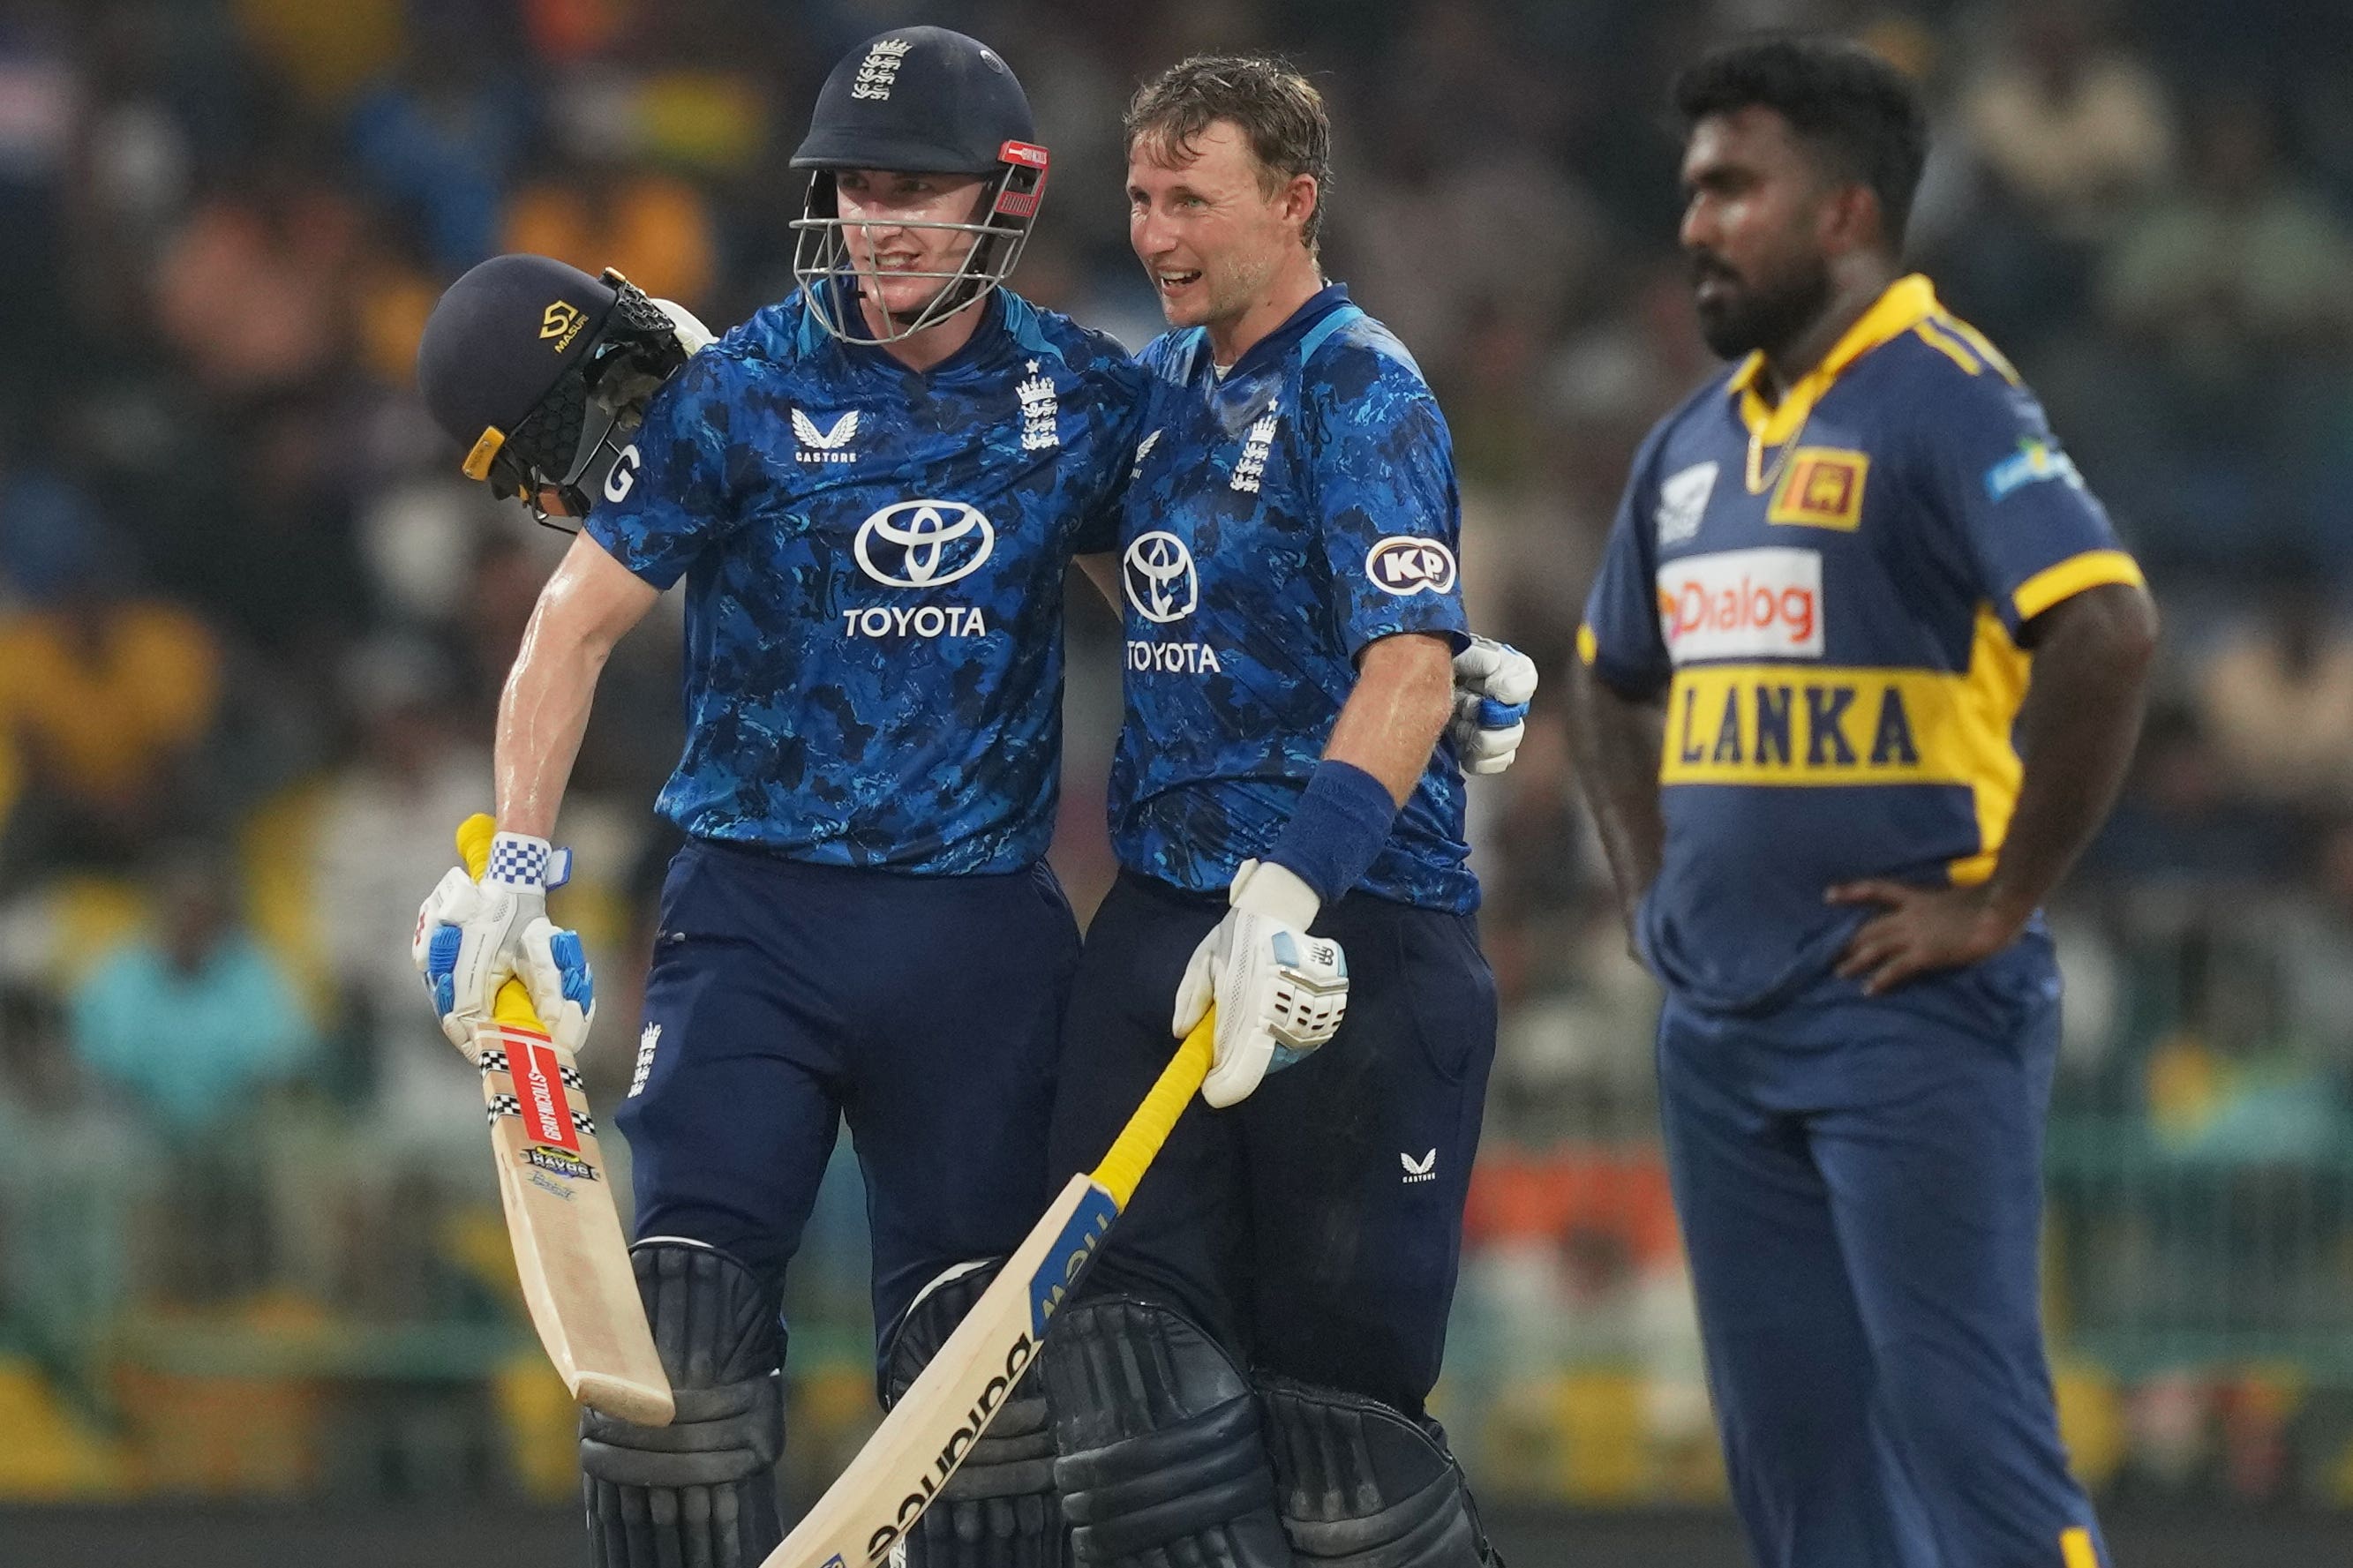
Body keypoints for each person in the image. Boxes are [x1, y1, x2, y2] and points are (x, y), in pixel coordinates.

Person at [410, 28, 1145, 1567]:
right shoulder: (738, 390)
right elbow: (567, 629)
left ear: (1004, 196)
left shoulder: (1078, 395)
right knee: (674, 1370)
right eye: (857, 187)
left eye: (917, 189)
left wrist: (1393, 662)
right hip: (755, 924)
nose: (880, 221)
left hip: (979, 941)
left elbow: (1170, 613)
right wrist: (518, 871)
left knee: (988, 1411)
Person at [1565, 36, 2157, 1568]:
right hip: (1720, 1022)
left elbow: (2105, 627)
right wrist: (1649, 892)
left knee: (1971, 1436)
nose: (1693, 224)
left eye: (1731, 189)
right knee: (1794, 1458)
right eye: (1690, 190)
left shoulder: (1941, 395)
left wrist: (2000, 900)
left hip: (1905, 1011)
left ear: (1842, 213)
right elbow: (1603, 682)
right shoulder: (1691, 441)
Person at [1038, 57, 1507, 1566]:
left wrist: (1292, 887)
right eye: (1139, 197)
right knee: (1130, 1398)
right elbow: (1166, 581)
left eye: (1192, 199)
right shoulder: (1165, 382)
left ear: (1295, 202)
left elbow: (1406, 669)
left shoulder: (1358, 384)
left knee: (1340, 1451)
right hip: (1163, 917)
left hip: (1350, 935)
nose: (1154, 234)